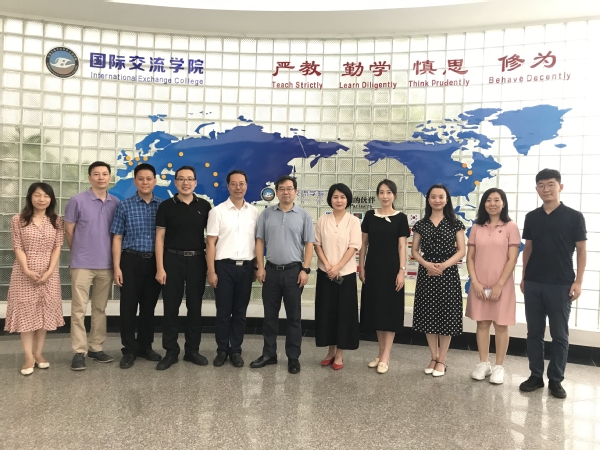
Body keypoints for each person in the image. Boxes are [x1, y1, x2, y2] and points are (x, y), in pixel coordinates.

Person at [519, 169, 587, 399]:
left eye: (550, 184)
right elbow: (528, 248)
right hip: (534, 282)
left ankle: (556, 379)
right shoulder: (532, 217)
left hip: (561, 283)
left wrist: (578, 281)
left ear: (560, 187)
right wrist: (524, 277)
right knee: (534, 333)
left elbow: (581, 250)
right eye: (541, 185)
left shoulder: (574, 217)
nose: (546, 189)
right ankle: (535, 376)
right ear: (536, 189)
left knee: (559, 335)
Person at [250, 175, 315, 374]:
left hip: (294, 272)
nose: (286, 192)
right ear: (276, 192)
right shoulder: (267, 214)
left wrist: (305, 269)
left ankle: (293, 357)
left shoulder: (304, 215)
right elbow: (260, 241)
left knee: (294, 317)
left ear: (295, 191)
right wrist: (260, 267)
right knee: (270, 316)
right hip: (271, 271)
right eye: (282, 189)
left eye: (289, 188)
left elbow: (309, 244)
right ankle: (269, 354)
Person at [154, 166, 212, 370]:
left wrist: (211, 267)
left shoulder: (205, 206)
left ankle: (192, 350)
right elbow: (159, 238)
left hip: (197, 260)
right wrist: (160, 268)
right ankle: (171, 351)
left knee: (195, 307)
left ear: (195, 182)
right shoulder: (166, 206)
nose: (185, 183)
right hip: (172, 260)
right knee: (171, 307)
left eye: (189, 179)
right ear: (175, 182)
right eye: (181, 179)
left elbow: (211, 239)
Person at [5, 183, 64, 376]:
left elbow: (57, 247)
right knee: (26, 314)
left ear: (51, 199)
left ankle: (39, 354)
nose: (41, 199)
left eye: (46, 196)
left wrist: (49, 271)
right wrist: (27, 270)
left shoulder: (56, 220)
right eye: (37, 195)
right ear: (30, 197)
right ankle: (28, 357)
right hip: (24, 274)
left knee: (43, 313)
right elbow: (17, 246)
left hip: (49, 274)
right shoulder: (18, 220)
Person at [65, 161, 120, 371]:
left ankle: (96, 347)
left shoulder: (116, 202)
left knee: (100, 308)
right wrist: (79, 251)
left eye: (104, 174)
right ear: (89, 177)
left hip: (106, 264)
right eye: (96, 174)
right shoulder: (77, 200)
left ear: (109, 177)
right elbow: (69, 230)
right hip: (82, 264)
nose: (101, 177)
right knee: (79, 309)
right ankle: (79, 352)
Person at [110, 163, 164, 369]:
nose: (145, 182)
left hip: (154, 262)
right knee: (128, 308)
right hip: (130, 261)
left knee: (148, 308)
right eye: (141, 178)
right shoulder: (124, 205)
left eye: (149, 178)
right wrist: (117, 267)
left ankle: (145, 347)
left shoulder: (163, 206)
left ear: (155, 181)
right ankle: (129, 350)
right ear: (135, 181)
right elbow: (117, 237)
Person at [466, 188, 520, 385]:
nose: (492, 204)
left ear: (503, 203)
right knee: (482, 323)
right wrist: (475, 282)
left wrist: (499, 285)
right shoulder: (476, 227)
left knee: (501, 324)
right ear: (484, 204)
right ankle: (484, 363)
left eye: (497, 200)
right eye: (488, 200)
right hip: (479, 284)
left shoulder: (511, 227)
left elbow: (512, 259)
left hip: (502, 285)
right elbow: (470, 258)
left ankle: (498, 366)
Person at [411, 184, 465, 377]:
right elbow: (414, 250)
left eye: (441, 197)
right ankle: (433, 357)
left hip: (448, 274)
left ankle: (442, 360)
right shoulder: (421, 224)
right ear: (428, 199)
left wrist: (443, 266)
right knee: (429, 315)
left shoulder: (455, 223)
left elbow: (462, 250)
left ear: (447, 199)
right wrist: (427, 264)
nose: (437, 200)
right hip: (426, 274)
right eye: (433, 197)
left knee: (446, 316)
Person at [206, 170, 259, 368]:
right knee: (223, 312)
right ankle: (222, 350)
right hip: (223, 268)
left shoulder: (254, 212)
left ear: (246, 186)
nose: (238, 187)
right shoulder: (217, 211)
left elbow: (257, 242)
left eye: (242, 183)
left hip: (246, 268)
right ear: (228, 186)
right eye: (234, 184)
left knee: (239, 312)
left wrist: (256, 266)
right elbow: (210, 243)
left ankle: (236, 350)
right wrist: (211, 271)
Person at [358, 179, 410, 374]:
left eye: (389, 192)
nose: (385, 196)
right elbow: (363, 244)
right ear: (377, 195)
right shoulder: (370, 216)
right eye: (381, 192)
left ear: (394, 195)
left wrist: (402, 271)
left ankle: (386, 356)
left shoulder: (401, 218)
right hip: (373, 269)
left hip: (392, 270)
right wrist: (361, 267)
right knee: (377, 312)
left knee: (390, 313)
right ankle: (380, 354)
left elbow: (402, 246)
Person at [314, 183, 362, 370]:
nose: (339, 200)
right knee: (327, 313)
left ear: (347, 199)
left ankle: (340, 354)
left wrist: (338, 267)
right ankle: (330, 351)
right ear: (330, 199)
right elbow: (317, 244)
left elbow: (354, 246)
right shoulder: (322, 220)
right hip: (325, 274)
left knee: (343, 315)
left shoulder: (353, 221)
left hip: (345, 275)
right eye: (335, 197)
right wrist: (327, 266)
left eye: (342, 197)